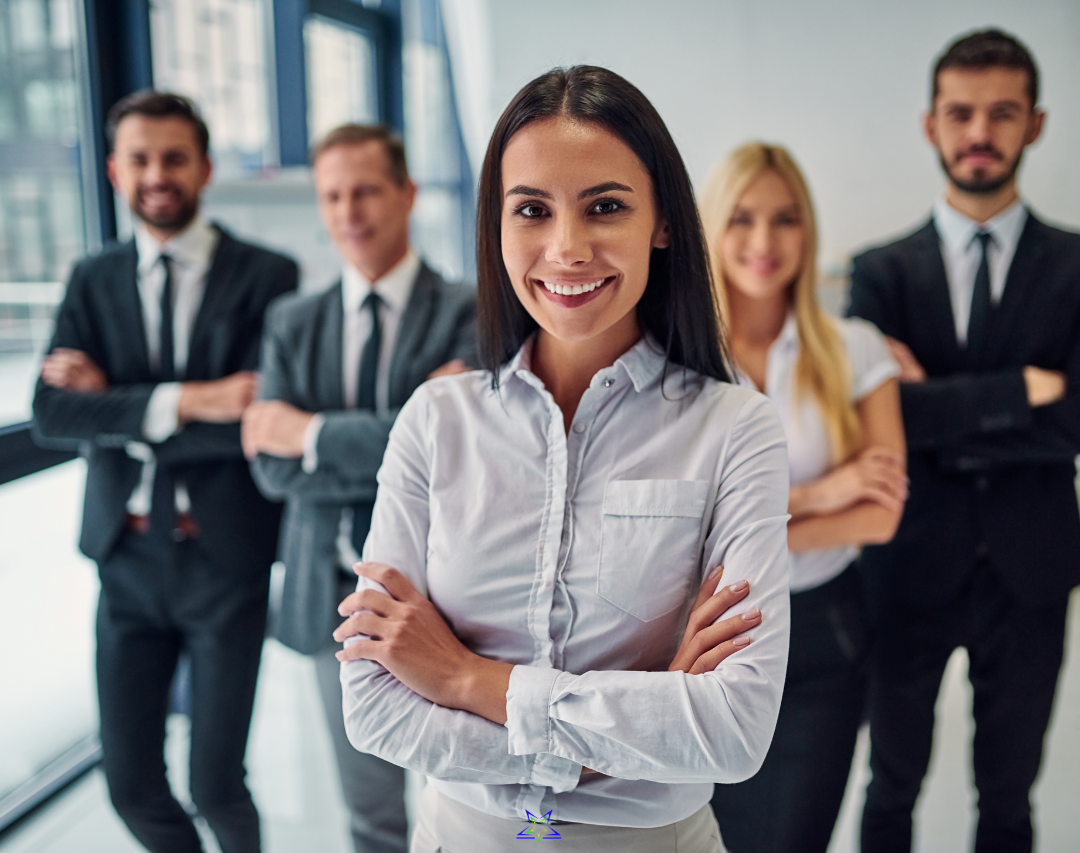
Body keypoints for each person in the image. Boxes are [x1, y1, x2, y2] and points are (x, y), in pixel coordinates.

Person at [330, 65, 792, 853]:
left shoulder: (734, 427)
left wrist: (467, 681)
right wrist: (624, 730)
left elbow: (733, 729)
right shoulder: (436, 421)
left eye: (605, 207)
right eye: (532, 211)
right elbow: (373, 705)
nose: (567, 248)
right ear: (496, 228)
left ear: (663, 223)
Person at [32, 91, 298, 853]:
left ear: (205, 167)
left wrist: (119, 408)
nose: (157, 174)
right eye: (140, 159)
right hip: (127, 559)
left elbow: (256, 422)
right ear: (115, 170)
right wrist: (195, 399)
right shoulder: (93, 278)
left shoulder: (266, 276)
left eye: (174, 157)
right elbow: (51, 414)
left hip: (225, 562)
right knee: (131, 784)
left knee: (217, 784)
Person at [847, 29, 1080, 853]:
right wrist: (1022, 390)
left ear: (1037, 124)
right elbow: (873, 423)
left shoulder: (1078, 267)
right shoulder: (877, 274)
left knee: (1011, 800)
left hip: (1034, 569)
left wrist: (936, 408)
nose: (979, 132)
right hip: (907, 563)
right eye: (961, 113)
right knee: (890, 789)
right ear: (930, 124)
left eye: (1002, 113)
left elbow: (1076, 419)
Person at [242, 123, 477, 853]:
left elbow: (460, 453)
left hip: (448, 599)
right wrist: (409, 418)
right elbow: (269, 468)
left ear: (407, 195)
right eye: (333, 195)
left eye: (366, 190)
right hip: (329, 598)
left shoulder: (473, 309)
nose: (349, 211)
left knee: (474, 802)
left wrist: (310, 435)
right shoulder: (292, 321)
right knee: (369, 812)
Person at [700, 143, 905, 853]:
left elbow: (878, 513)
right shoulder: (678, 360)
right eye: (743, 219)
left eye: (784, 219)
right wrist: (824, 493)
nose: (763, 241)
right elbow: (686, 527)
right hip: (705, 635)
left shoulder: (855, 348)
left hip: (824, 633)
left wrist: (743, 525)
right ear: (711, 229)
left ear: (807, 231)